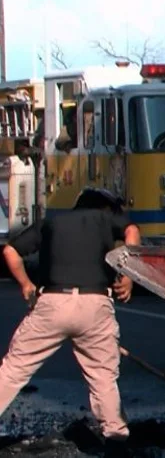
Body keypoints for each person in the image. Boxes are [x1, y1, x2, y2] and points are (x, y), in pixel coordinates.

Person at [0, 187, 140, 450]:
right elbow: (132, 231)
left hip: (52, 303)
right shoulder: (104, 218)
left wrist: (26, 285)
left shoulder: (51, 222)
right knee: (102, 377)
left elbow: (10, 251)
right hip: (95, 304)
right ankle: (116, 438)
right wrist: (129, 274)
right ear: (104, 208)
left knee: (14, 369)